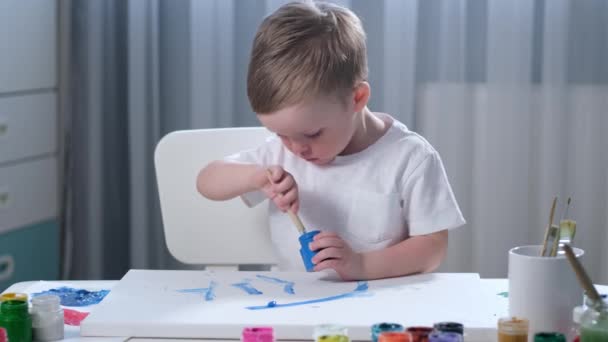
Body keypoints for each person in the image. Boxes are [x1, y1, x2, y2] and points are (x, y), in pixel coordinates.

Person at [196, 1, 465, 280]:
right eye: (281, 135)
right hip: (295, 305)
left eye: (313, 134)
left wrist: (362, 265)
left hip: (380, 307)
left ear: (357, 98)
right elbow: (206, 182)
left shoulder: (410, 158)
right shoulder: (279, 155)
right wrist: (256, 177)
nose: (296, 148)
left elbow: (432, 247)